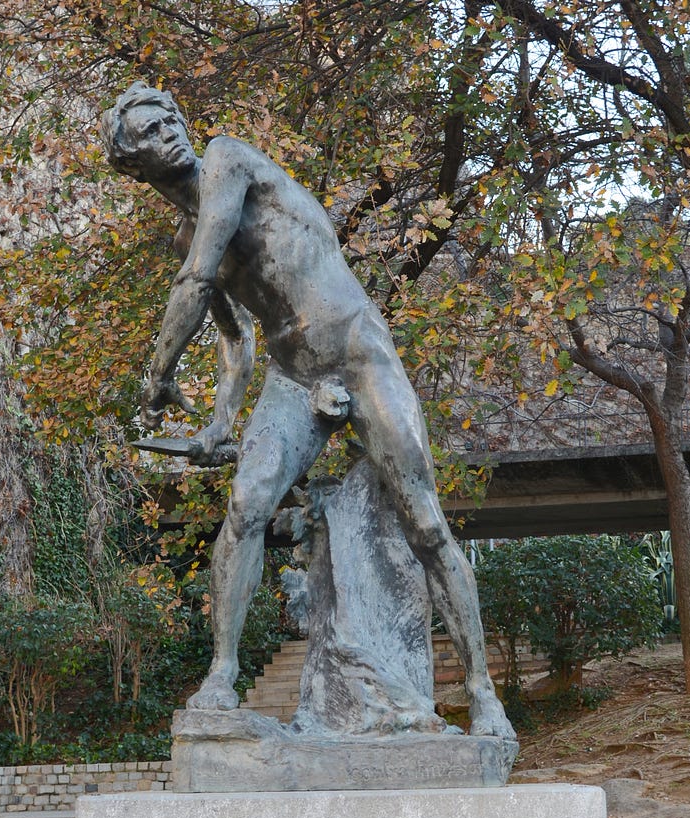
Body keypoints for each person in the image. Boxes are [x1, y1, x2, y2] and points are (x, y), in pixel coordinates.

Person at [101, 83, 515, 739]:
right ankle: (222, 674)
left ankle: (482, 691)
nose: (168, 132)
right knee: (245, 507)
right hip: (292, 375)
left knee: (426, 521)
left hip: (356, 348)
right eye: (148, 133)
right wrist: (219, 419)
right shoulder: (186, 232)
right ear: (132, 163)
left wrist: (157, 376)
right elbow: (234, 337)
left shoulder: (227, 159)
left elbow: (201, 278)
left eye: (168, 119)